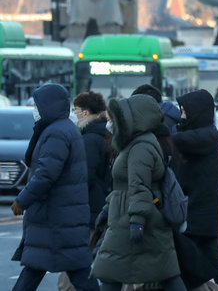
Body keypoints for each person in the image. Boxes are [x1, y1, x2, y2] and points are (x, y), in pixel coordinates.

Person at [91, 94, 184, 291]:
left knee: (111, 273)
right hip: (128, 217)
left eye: (118, 119)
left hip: (133, 219)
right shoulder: (135, 145)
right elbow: (122, 187)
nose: (113, 124)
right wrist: (107, 210)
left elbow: (139, 186)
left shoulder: (141, 147)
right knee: (161, 272)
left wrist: (137, 222)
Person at [10, 84, 98, 291]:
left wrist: (22, 200)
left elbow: (46, 174)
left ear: (48, 106)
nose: (35, 110)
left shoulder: (56, 133)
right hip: (60, 218)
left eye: (38, 105)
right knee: (74, 272)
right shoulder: (61, 129)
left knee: (41, 270)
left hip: (56, 218)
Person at [172, 89, 218, 291]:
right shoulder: (201, 133)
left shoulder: (208, 135)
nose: (182, 117)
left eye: (185, 112)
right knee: (211, 262)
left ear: (197, 112)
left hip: (198, 213)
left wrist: (159, 132)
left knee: (189, 263)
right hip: (198, 212)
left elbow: (178, 142)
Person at [73, 91, 111, 229]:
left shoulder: (89, 139)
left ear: (86, 113)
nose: (74, 114)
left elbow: (86, 174)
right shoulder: (102, 132)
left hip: (92, 201)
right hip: (102, 199)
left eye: (75, 110)